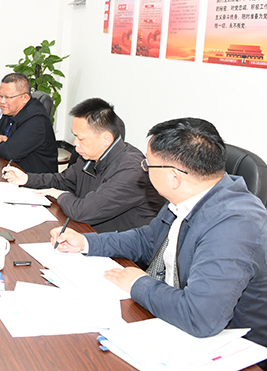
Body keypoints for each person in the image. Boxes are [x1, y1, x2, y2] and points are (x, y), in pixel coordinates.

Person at [51, 118, 267, 348]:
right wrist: (86, 242)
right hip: (170, 313)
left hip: (228, 346)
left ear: (174, 177)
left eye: (148, 165)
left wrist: (138, 283)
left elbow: (200, 317)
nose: (144, 171)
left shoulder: (235, 224)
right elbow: (147, 240)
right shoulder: (187, 195)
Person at [5, 97, 162, 233]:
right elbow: (63, 181)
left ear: (106, 139)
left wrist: (60, 195)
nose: (75, 144)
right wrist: (27, 179)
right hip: (88, 233)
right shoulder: (90, 156)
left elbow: (83, 211)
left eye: (81, 138)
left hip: (118, 251)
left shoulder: (132, 171)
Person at [0, 73, 57, 173]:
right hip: (12, 170)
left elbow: (9, 152)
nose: (2, 101)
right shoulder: (12, 111)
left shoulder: (36, 120)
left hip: (35, 178)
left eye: (8, 97)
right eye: (0, 96)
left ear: (25, 98)